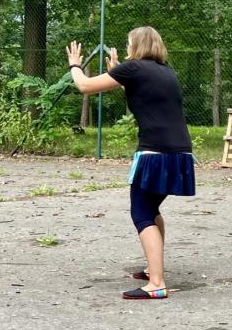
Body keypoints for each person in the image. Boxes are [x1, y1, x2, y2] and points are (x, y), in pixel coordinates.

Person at [66, 26, 195, 300]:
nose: (126, 48)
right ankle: (152, 270)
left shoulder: (134, 67)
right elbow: (142, 93)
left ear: (136, 46)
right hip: (180, 152)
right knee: (152, 209)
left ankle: (157, 283)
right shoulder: (165, 71)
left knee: (142, 213)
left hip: (154, 153)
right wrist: (118, 73)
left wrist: (75, 65)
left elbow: (85, 86)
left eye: (128, 43)